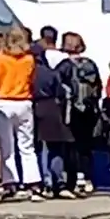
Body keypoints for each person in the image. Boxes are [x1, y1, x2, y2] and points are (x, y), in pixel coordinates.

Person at [0, 26, 43, 198]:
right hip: (24, 101)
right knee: (27, 146)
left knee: (7, 147)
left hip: (3, 101)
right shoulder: (29, 59)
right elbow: (32, 80)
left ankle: (10, 182)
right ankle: (33, 183)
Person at [61, 31, 102, 195]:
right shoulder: (90, 64)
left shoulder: (64, 66)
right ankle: (88, 178)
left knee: (71, 147)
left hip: (72, 110)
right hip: (89, 110)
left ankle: (73, 179)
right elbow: (98, 87)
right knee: (86, 146)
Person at [31, 45, 74, 196]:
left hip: (34, 107)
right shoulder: (50, 72)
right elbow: (60, 92)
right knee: (55, 147)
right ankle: (59, 181)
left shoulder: (29, 72)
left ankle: (44, 182)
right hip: (52, 109)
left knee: (38, 148)